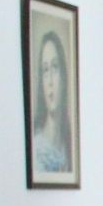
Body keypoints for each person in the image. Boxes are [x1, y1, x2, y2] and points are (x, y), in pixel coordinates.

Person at [32, 30, 71, 173]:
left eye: (55, 67)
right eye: (45, 70)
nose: (50, 82)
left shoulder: (68, 146)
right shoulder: (36, 146)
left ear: (64, 75)